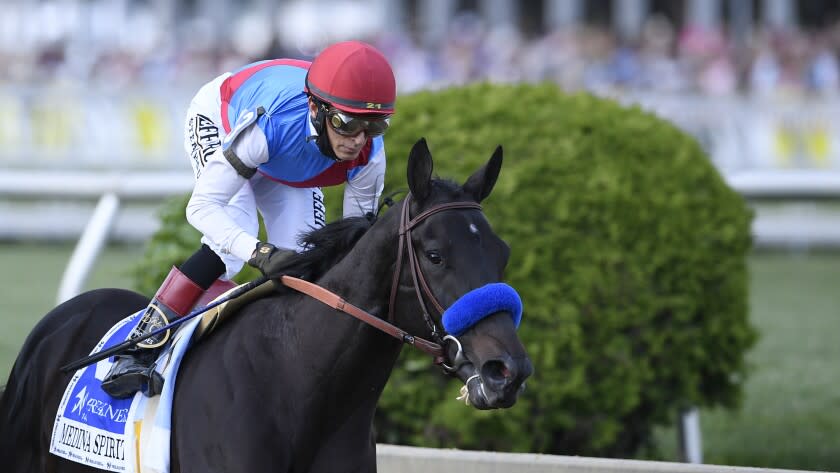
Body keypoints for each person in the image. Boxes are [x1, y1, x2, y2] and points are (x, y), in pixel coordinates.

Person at [101, 40, 396, 399]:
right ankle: (138, 349)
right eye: (346, 124)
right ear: (316, 110)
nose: (357, 141)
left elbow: (355, 245)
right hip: (223, 119)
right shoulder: (270, 125)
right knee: (232, 247)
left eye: (374, 127)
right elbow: (202, 207)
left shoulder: (369, 156)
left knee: (303, 256)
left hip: (283, 156)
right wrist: (259, 253)